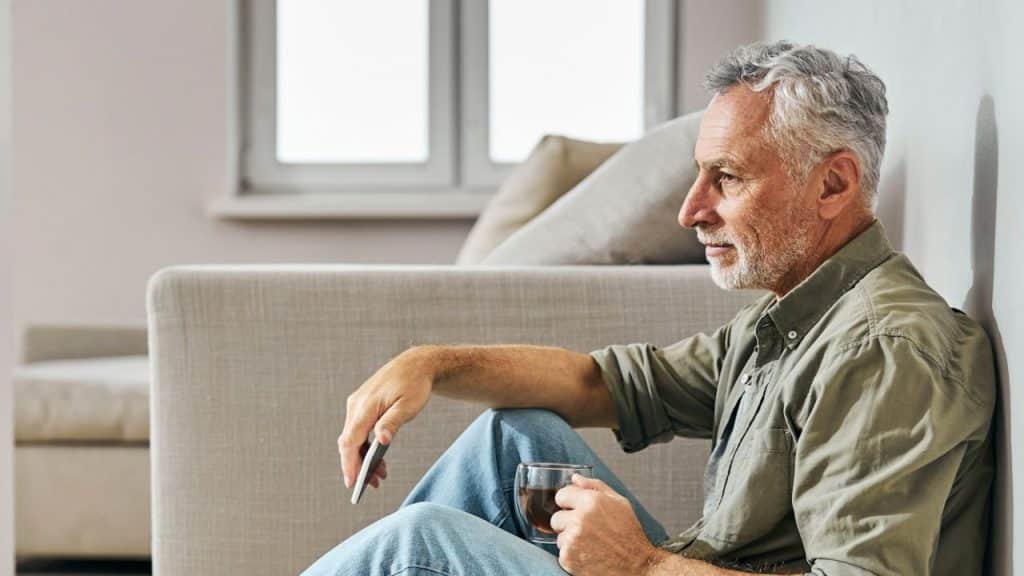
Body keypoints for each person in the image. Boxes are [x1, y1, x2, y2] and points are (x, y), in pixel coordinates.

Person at [304, 41, 995, 576]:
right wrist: (429, 364)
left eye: (727, 177)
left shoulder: (882, 348)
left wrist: (641, 564)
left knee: (421, 543)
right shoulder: (795, 317)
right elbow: (600, 384)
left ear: (834, 184)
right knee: (510, 440)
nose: (691, 210)